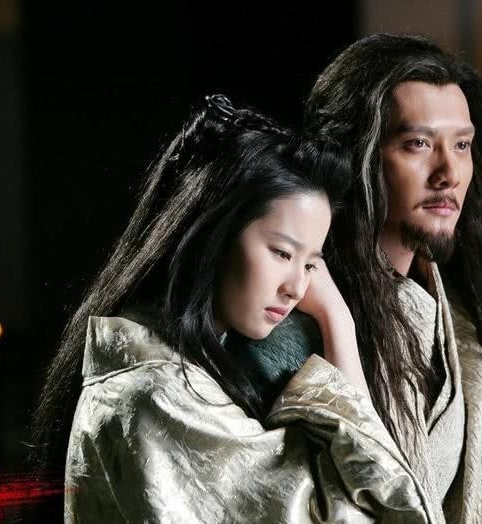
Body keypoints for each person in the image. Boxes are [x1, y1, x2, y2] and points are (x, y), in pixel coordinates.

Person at [31, 95, 434, 523]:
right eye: (282, 253)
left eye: (311, 265)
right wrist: (338, 319)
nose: (297, 288)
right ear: (215, 232)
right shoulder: (158, 397)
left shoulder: (169, 372)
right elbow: (379, 510)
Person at [238, 34, 482, 523]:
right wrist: (336, 319)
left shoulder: (448, 297)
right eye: (417, 144)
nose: (448, 173)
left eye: (461, 145)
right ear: (359, 155)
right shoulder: (291, 319)